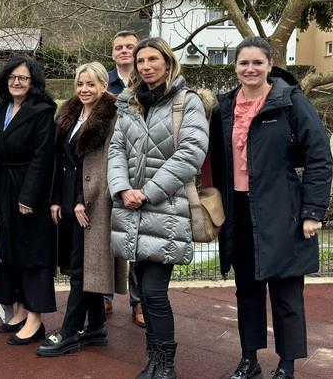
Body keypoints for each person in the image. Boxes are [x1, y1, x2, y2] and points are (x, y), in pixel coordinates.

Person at [209, 37, 332, 379]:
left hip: (282, 210)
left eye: (257, 63)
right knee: (247, 290)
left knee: (286, 292)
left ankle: (286, 366)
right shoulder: (223, 109)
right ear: (235, 67)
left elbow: (320, 158)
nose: (250, 69)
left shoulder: (291, 103)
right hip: (238, 211)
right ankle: (249, 360)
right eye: (243, 63)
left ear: (270, 65)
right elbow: (215, 162)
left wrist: (313, 211)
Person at [107, 37, 208, 379]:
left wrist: (147, 192)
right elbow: (116, 149)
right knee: (146, 292)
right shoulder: (129, 102)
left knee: (152, 291)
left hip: (166, 208)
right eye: (141, 61)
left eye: (153, 59)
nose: (146, 66)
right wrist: (122, 188)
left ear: (167, 62)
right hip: (131, 209)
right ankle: (153, 360)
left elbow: (191, 153)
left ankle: (165, 364)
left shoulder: (186, 101)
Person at [36, 61, 128, 357]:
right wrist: (56, 199)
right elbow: (62, 161)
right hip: (68, 201)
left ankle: (69, 331)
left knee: (82, 268)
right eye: (80, 84)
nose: (84, 89)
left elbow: (107, 163)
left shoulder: (113, 116)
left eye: (91, 84)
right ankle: (97, 327)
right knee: (84, 265)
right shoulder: (71, 113)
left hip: (93, 202)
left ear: (104, 85)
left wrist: (80, 199)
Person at [0, 56, 57, 346]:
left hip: (29, 189)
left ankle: (35, 318)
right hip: (4, 185)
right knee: (10, 248)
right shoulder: (2, 107)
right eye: (12, 77)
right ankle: (19, 309)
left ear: (33, 82)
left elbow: (43, 156)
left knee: (32, 250)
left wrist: (28, 196)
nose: (16, 82)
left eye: (23, 78)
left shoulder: (42, 112)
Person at [105, 30, 146, 328]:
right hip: (108, 165)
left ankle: (139, 300)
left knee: (140, 239)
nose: (124, 51)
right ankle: (104, 294)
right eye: (119, 47)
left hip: (142, 166)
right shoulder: (103, 81)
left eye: (130, 46)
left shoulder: (148, 82)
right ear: (113, 53)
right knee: (107, 234)